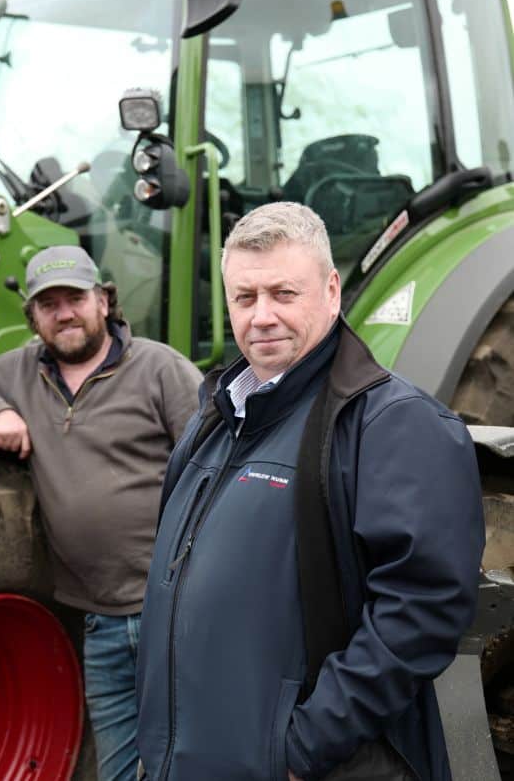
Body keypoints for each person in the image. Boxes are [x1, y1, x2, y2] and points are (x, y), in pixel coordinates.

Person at [135, 202, 485, 780]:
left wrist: (303, 750)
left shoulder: (390, 423)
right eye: (245, 299)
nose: (262, 316)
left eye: (283, 294)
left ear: (331, 291)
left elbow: (422, 607)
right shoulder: (215, 419)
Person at [0, 244, 201, 781]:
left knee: (195, 758)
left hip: (173, 609)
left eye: (75, 298)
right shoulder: (21, 371)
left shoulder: (159, 368)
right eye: (49, 304)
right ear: (33, 317)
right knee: (116, 770)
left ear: (104, 301)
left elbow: (216, 466)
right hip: (100, 621)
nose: (64, 312)